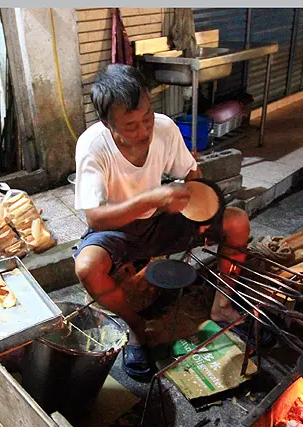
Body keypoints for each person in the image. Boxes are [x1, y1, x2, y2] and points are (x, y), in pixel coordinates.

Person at [73, 64, 250, 380]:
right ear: (107, 124)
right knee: (87, 268)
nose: (143, 131)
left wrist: (201, 212)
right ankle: (137, 328)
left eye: (147, 117)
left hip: (158, 222)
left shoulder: (165, 129)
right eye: (130, 125)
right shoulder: (93, 146)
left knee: (236, 222)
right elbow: (95, 218)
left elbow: (191, 173)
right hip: (116, 229)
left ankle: (221, 305)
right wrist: (151, 198)